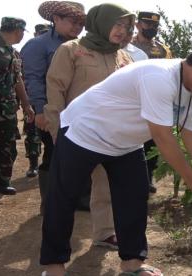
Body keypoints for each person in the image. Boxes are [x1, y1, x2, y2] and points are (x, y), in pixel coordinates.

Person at [40, 40, 192, 276]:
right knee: (63, 199)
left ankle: (132, 265)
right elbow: (163, 137)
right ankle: (54, 266)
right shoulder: (159, 77)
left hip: (124, 142)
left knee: (134, 199)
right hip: (85, 132)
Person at [44, 3, 135, 251]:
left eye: (126, 26)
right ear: (101, 21)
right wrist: (57, 132)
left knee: (105, 186)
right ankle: (57, 247)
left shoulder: (123, 57)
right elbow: (56, 92)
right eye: (117, 24)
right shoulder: (71, 50)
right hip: (75, 134)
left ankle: (104, 233)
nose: (121, 31)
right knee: (67, 192)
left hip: (110, 134)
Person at [21, 0, 85, 212]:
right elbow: (33, 79)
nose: (77, 27)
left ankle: (78, 198)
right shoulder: (38, 45)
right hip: (53, 111)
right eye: (72, 21)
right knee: (53, 154)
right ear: (55, 19)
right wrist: (39, 111)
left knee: (80, 155)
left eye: (81, 23)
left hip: (78, 112)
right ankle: (49, 203)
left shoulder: (83, 46)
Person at [0, 17, 34, 195]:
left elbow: (17, 81)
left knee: (7, 146)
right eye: (23, 32)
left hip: (6, 109)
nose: (22, 35)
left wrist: (26, 105)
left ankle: (1, 181)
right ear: (18, 30)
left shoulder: (13, 53)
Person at [133, 11, 173, 194]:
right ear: (138, 25)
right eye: (148, 25)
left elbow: (170, 73)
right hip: (134, 101)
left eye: (155, 26)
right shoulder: (128, 46)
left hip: (155, 102)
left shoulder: (163, 50)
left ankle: (147, 179)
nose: (152, 28)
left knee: (152, 144)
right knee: (133, 141)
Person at [23, 23, 51, 178]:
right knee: (32, 133)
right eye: (41, 33)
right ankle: (33, 165)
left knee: (50, 141)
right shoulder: (31, 49)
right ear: (35, 33)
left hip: (50, 101)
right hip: (32, 100)